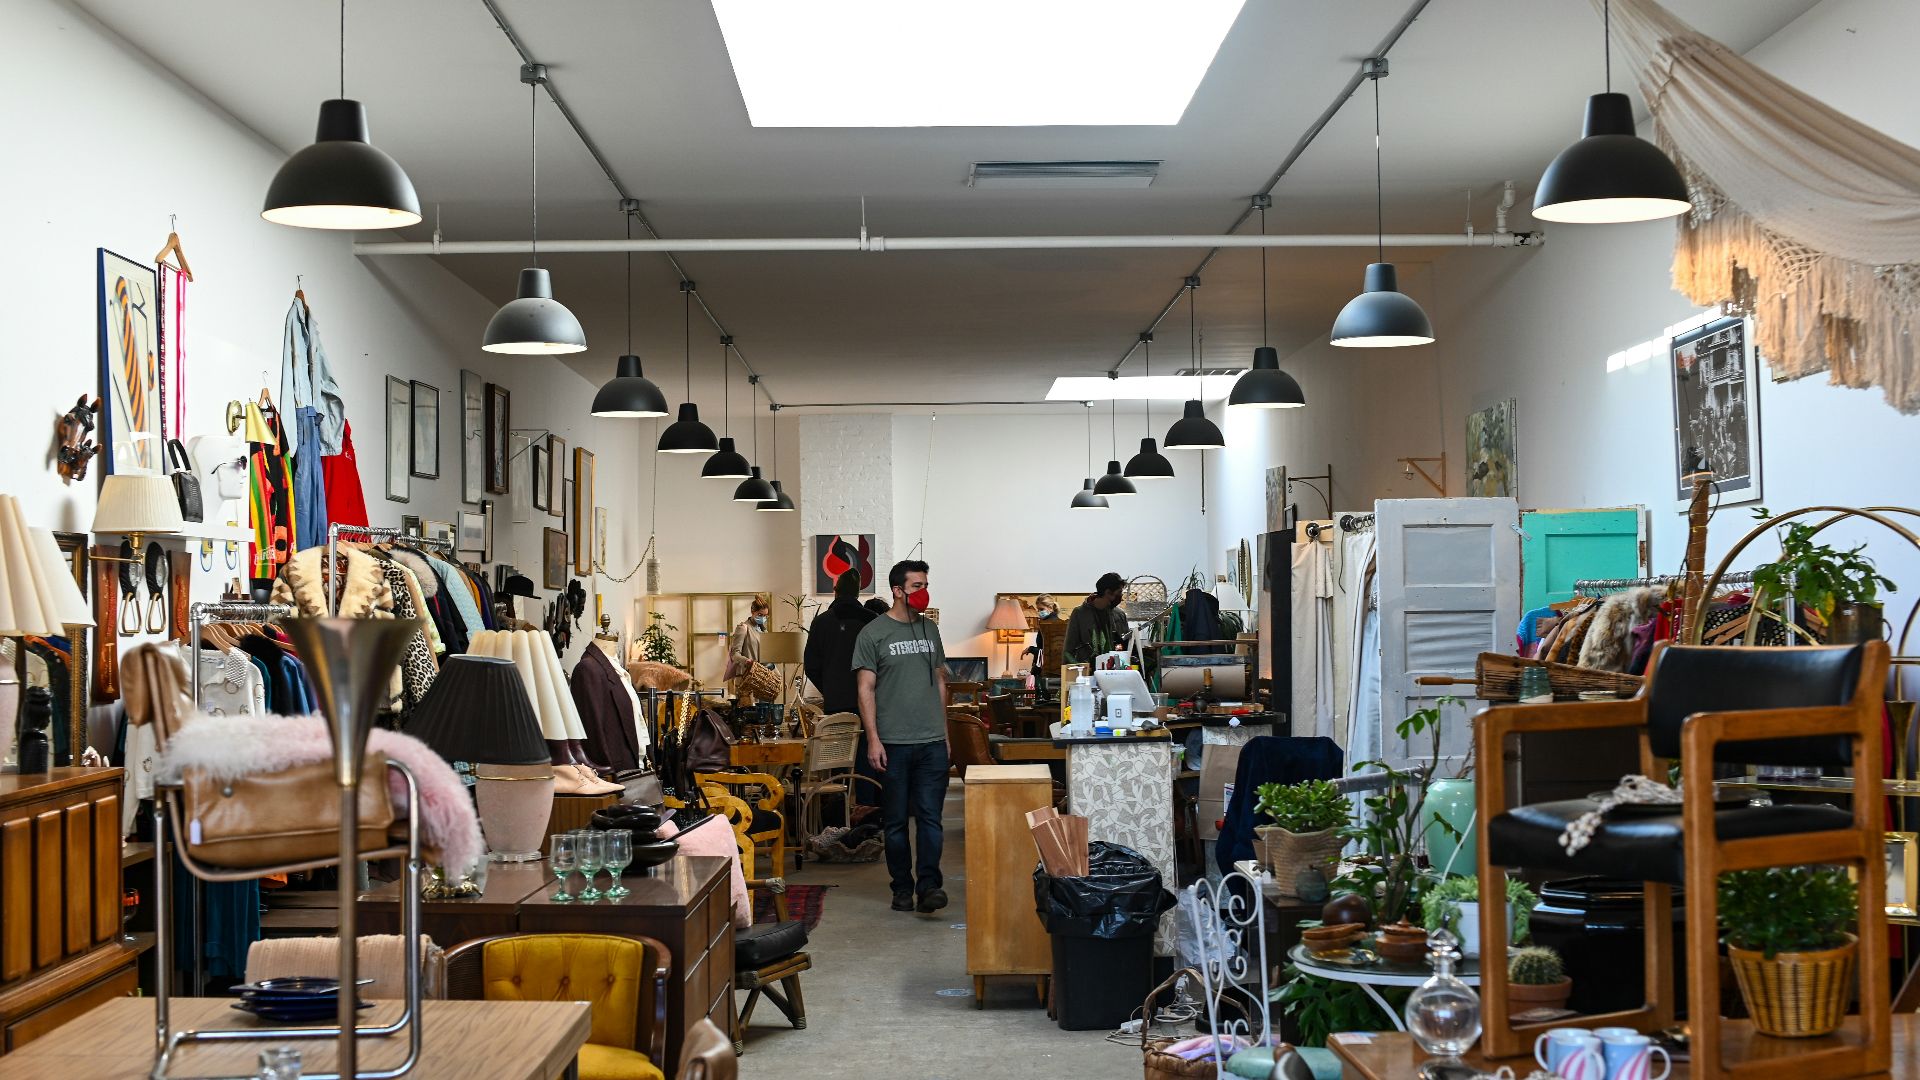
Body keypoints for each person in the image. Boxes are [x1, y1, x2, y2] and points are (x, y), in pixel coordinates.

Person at [853, 559, 950, 913]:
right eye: (917, 586)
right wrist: (873, 739)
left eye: (926, 585)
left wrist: (945, 733)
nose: (924, 593)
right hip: (892, 743)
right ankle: (902, 888)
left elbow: (940, 681)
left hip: (931, 742)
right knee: (895, 822)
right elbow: (865, 689)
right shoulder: (873, 634)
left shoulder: (930, 630)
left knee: (930, 818)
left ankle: (929, 887)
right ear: (897, 590)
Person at [805, 569, 882, 807]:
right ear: (858, 593)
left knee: (837, 760)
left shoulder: (821, 622)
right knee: (869, 759)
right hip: (870, 704)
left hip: (836, 704)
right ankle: (867, 810)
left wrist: (829, 688)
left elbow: (811, 666)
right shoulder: (872, 621)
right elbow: (885, 664)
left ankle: (838, 812)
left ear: (835, 591)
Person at [1065, 572, 1130, 664]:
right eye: (1119, 592)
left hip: (1114, 668)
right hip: (1088, 667)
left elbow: (1127, 645)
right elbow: (1069, 648)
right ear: (1108, 592)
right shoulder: (1080, 613)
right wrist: (1068, 669)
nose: (1121, 597)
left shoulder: (1119, 614)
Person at [726, 595, 770, 696]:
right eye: (760, 615)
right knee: (747, 705)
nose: (763, 618)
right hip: (746, 678)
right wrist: (747, 661)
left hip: (761, 678)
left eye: (765, 616)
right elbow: (734, 655)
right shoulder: (743, 628)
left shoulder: (763, 631)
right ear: (752, 612)